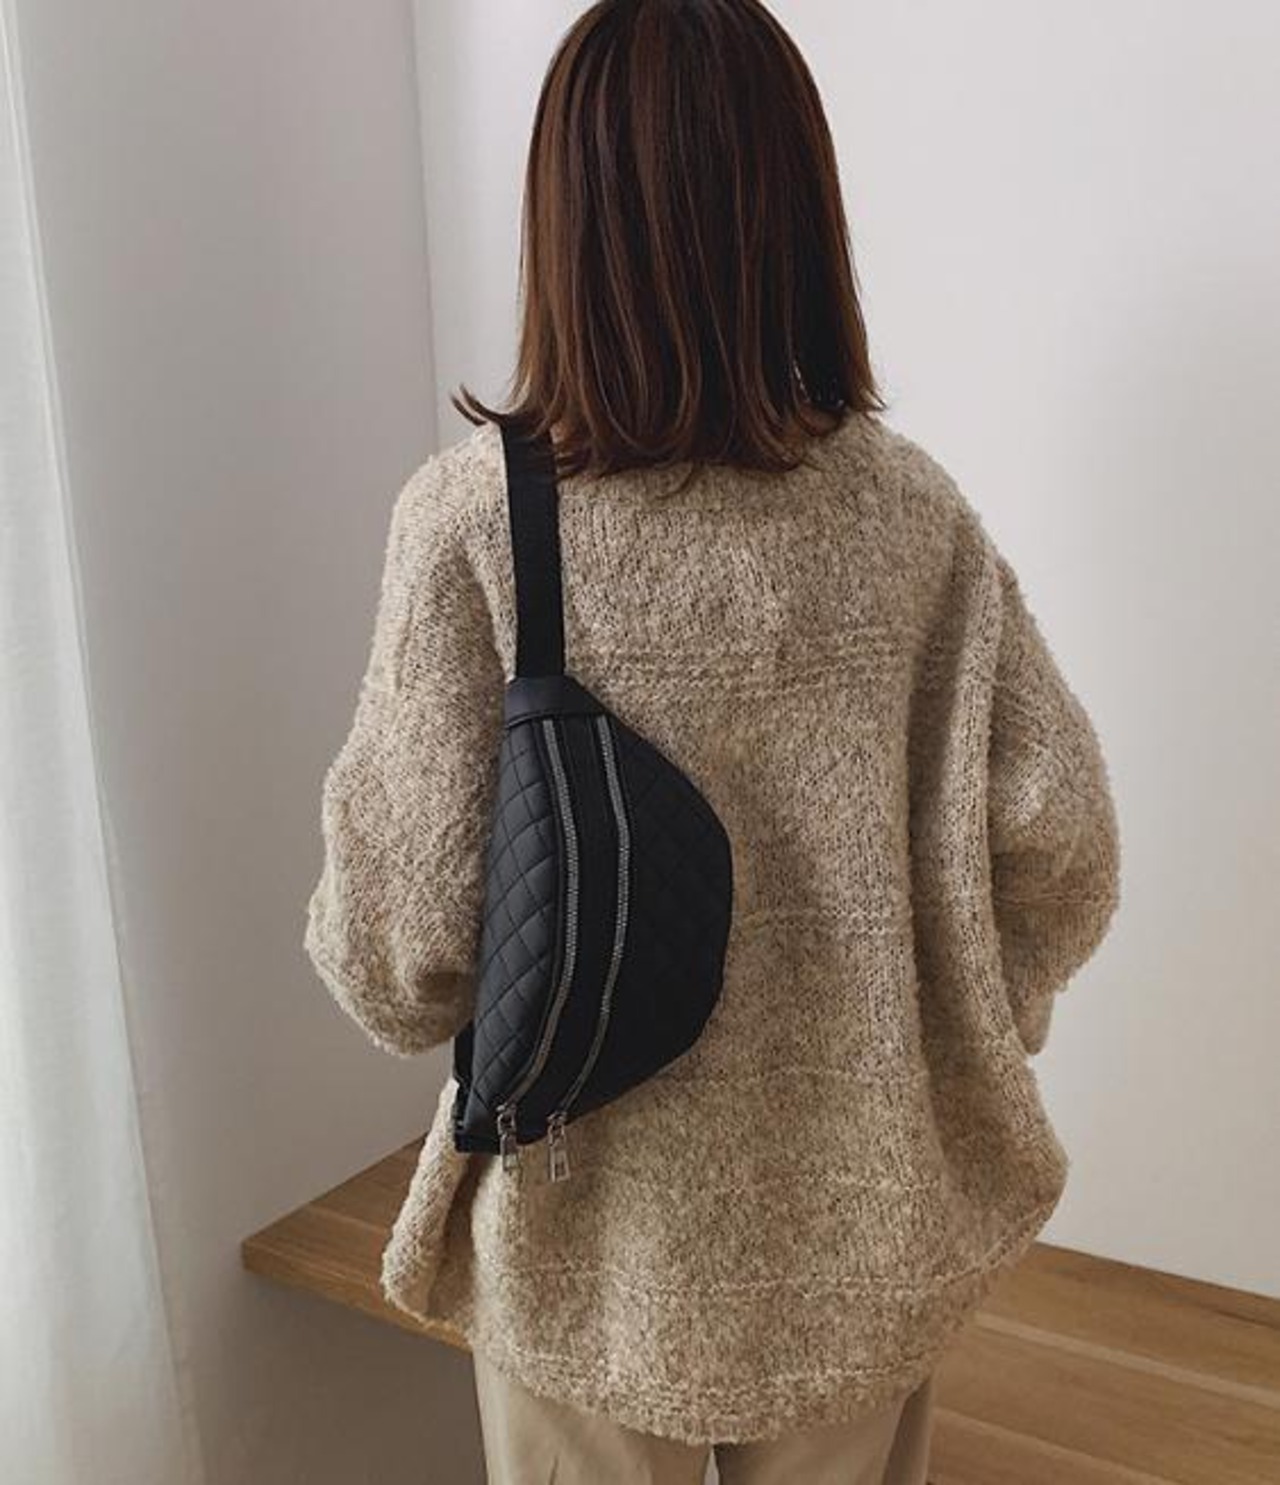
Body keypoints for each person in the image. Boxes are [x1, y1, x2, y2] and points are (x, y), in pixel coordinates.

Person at [302, 1, 1122, 1480]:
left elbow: (395, 957)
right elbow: (1060, 844)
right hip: (860, 1235)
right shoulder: (911, 521)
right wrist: (930, 1020)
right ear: (799, 212)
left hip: (583, 1244)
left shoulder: (477, 525)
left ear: (565, 222)